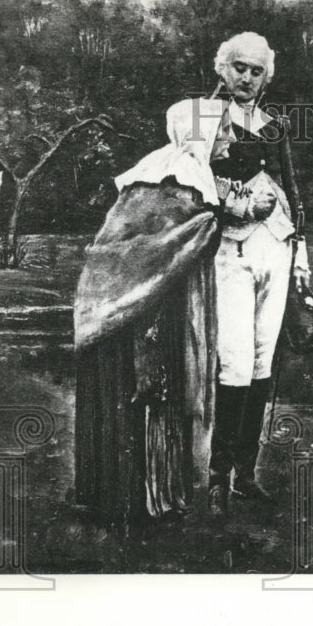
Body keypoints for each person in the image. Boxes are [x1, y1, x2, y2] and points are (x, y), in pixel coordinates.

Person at [73, 97, 230, 529]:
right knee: (151, 391)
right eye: (225, 130)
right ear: (202, 133)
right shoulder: (171, 180)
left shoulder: (168, 174)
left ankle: (142, 495)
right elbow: (155, 248)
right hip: (140, 310)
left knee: (158, 393)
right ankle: (141, 500)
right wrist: (217, 219)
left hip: (143, 302)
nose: (231, 141)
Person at [206, 32, 310, 516]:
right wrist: (234, 203)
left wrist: (302, 262)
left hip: (278, 247)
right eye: (239, 68)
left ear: (267, 77)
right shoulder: (200, 119)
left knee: (265, 360)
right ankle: (216, 477)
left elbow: (292, 190)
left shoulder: (276, 126)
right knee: (235, 359)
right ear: (222, 69)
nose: (247, 78)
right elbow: (187, 182)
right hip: (230, 250)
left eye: (256, 71)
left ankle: (246, 475)